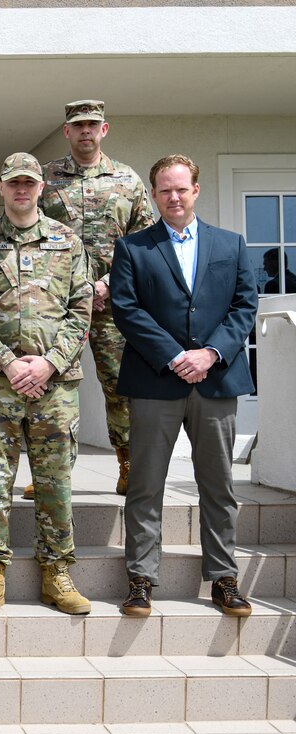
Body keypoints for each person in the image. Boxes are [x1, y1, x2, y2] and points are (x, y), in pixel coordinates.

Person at [110, 154, 258, 618]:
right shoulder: (133, 248)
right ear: (154, 195)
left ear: (196, 190)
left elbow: (244, 306)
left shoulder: (231, 245)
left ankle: (224, 577)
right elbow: (126, 309)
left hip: (216, 380)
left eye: (181, 189)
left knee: (218, 485)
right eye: (164, 190)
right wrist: (175, 356)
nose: (173, 197)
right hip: (156, 381)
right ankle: (141, 578)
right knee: (146, 484)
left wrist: (210, 353)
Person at [0, 153, 93, 616]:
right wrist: (10, 365)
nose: (22, 190)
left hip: (55, 387)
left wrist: (49, 365)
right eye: (14, 182)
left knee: (55, 482)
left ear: (40, 188)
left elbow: (81, 310)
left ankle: (57, 571)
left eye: (29, 183)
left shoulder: (67, 241)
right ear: (1, 187)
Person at [37, 100, 154, 498]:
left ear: (105, 129)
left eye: (92, 124)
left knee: (120, 385)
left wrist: (106, 283)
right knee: (50, 386)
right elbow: (30, 235)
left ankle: (127, 465)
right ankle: (49, 473)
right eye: (77, 125)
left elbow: (145, 242)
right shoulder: (45, 178)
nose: (85, 131)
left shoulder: (127, 179)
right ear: (66, 131)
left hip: (111, 302)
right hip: (56, 304)